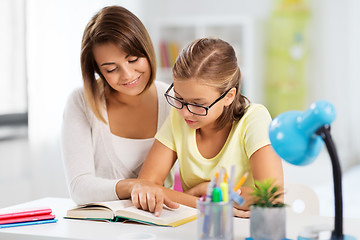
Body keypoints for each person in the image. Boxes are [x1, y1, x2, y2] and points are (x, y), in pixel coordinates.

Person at [128, 37, 284, 218]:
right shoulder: (178, 117)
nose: (185, 113)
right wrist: (203, 196)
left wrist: (197, 193)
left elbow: (271, 199)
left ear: (229, 96)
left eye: (198, 104)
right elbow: (146, 187)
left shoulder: (253, 119)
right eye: (179, 98)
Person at [61, 5, 173, 205]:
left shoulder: (174, 101)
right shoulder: (81, 102)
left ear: (147, 50)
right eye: (112, 69)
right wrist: (136, 186)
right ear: (98, 71)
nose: (128, 75)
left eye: (133, 59)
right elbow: (79, 188)